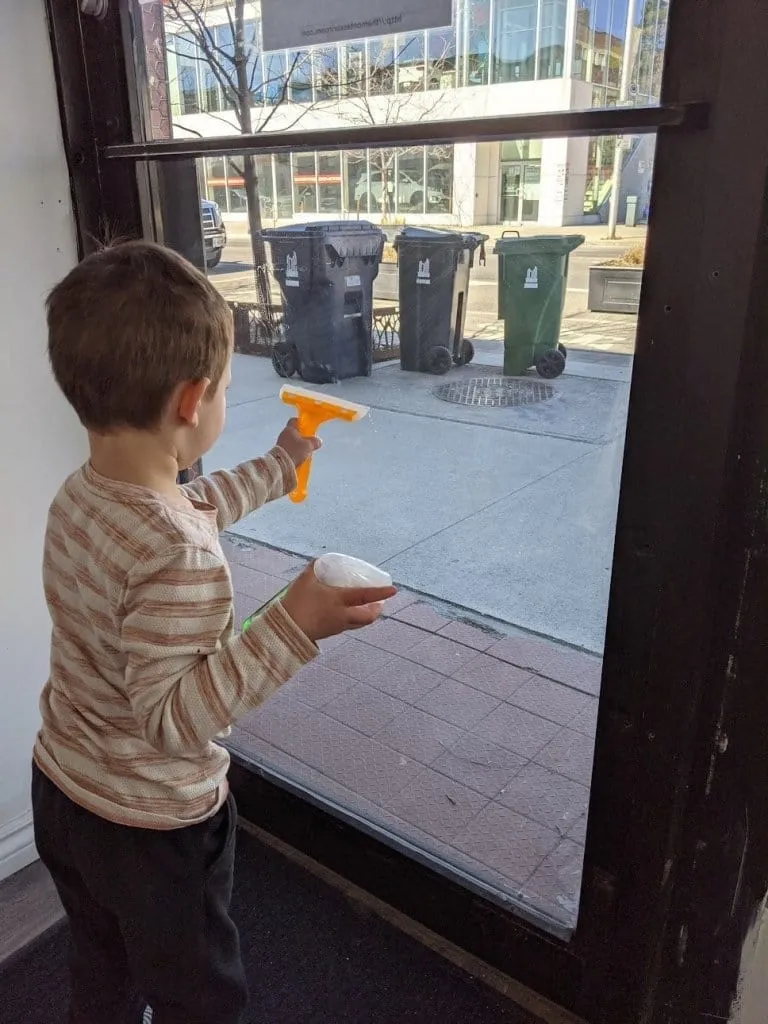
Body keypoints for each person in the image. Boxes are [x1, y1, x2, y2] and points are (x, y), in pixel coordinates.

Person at [31, 240, 395, 1024]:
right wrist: (296, 623)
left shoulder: (85, 496)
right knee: (200, 993)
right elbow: (177, 720)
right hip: (149, 833)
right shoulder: (180, 556)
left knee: (100, 962)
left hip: (63, 791)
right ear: (193, 401)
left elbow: (191, 503)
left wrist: (281, 461)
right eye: (228, 387)